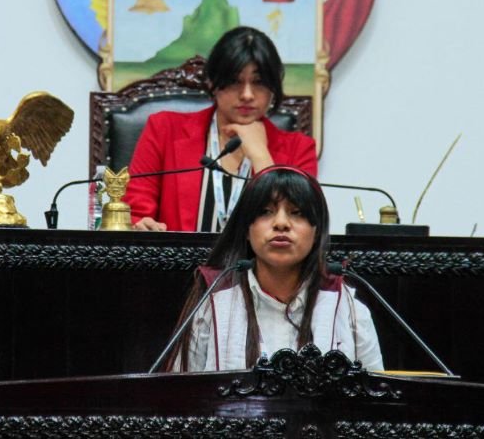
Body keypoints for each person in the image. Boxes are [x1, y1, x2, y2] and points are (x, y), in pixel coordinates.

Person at [166, 165, 383, 372]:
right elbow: (182, 392)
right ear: (246, 229)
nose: (281, 223)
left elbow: (378, 393)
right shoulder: (214, 300)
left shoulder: (347, 307)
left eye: (296, 212)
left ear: (317, 232)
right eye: (266, 212)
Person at [125, 26, 317, 232]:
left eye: (259, 82)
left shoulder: (299, 149)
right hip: (180, 254)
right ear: (212, 82)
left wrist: (261, 156)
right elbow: (135, 212)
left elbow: (299, 228)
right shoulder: (164, 130)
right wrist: (142, 226)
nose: (247, 95)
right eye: (234, 81)